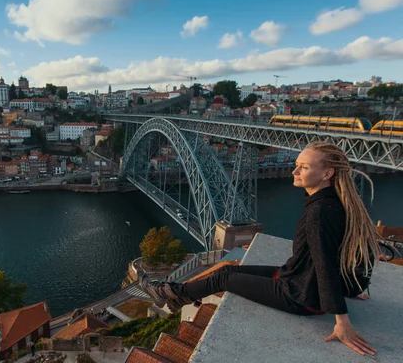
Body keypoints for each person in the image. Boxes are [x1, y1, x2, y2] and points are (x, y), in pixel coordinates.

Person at [138, 142, 381, 356]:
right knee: (231, 272)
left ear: (327, 173)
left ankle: (167, 292)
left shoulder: (320, 212)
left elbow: (325, 264)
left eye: (304, 167)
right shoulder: (335, 202)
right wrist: (351, 285)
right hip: (298, 278)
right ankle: (177, 297)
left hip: (302, 296)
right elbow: (352, 250)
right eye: (297, 164)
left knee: (223, 276)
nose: (294, 171)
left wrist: (342, 321)